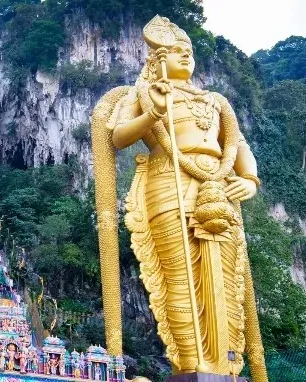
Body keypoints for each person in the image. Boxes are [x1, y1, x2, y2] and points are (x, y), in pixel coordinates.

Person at [91, 15, 266, 378]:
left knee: (225, 275)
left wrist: (249, 180)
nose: (186, 56)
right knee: (180, 279)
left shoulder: (216, 101)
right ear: (156, 61)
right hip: (167, 184)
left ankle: (227, 365)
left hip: (218, 187)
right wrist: (152, 111)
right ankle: (190, 363)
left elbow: (238, 145)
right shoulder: (143, 93)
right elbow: (119, 136)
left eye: (188, 51)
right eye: (175, 52)